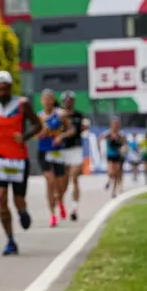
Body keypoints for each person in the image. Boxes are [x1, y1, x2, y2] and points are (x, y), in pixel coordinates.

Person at [0, 71, 43, 256]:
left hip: (19, 158)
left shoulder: (22, 104)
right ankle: (10, 240)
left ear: (10, 88)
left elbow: (38, 125)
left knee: (18, 199)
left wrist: (25, 136)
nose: (2, 92)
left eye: (5, 89)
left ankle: (22, 211)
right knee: (1, 196)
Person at [36, 89, 70, 227]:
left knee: (61, 185)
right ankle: (52, 215)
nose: (47, 101)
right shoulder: (38, 116)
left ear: (53, 100)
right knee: (50, 182)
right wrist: (39, 134)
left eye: (50, 98)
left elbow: (70, 129)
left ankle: (60, 200)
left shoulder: (61, 114)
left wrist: (61, 136)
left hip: (57, 152)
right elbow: (34, 132)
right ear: (41, 101)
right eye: (45, 99)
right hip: (43, 152)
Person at [59, 90, 88, 221]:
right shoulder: (58, 115)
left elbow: (83, 128)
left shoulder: (79, 115)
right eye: (66, 100)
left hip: (76, 149)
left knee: (74, 177)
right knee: (63, 182)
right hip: (62, 150)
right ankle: (61, 203)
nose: (68, 103)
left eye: (70, 100)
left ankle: (74, 208)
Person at [100, 119, 126, 197]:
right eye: (113, 124)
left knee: (116, 174)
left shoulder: (121, 134)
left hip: (118, 155)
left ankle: (114, 191)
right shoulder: (108, 133)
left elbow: (125, 143)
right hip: (110, 155)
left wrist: (124, 149)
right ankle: (109, 180)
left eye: (116, 125)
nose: (115, 126)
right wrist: (100, 149)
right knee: (111, 172)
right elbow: (100, 138)